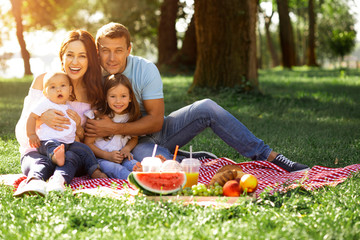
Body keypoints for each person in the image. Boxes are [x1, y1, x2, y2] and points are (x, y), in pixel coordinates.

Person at [85, 22, 309, 173]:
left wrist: (112, 128)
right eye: (105, 50)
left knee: (207, 107)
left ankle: (268, 156)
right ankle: (192, 160)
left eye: (118, 50)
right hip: (131, 146)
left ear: (129, 49)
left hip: (156, 130)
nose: (112, 57)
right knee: (165, 167)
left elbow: (155, 121)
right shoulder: (93, 75)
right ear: (97, 50)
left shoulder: (145, 69)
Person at [14, 30, 107, 197]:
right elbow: (22, 133)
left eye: (82, 56)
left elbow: (87, 140)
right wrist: (40, 120)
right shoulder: (44, 81)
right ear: (62, 56)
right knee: (39, 162)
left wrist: (78, 128)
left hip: (69, 153)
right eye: (70, 55)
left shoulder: (94, 93)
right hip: (38, 150)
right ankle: (34, 182)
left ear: (90, 60)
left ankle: (59, 182)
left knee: (72, 156)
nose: (75, 62)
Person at [84, 73, 142, 179]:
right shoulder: (98, 116)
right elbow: (88, 144)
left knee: (134, 164)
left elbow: (134, 138)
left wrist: (127, 149)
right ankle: (135, 182)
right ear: (106, 97)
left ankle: (146, 178)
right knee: (117, 169)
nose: (118, 101)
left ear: (130, 97)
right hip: (100, 159)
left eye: (123, 96)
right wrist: (107, 156)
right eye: (113, 96)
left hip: (122, 156)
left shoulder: (130, 117)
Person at [27, 71, 78, 167]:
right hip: (47, 140)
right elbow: (32, 116)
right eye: (53, 87)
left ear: (70, 90)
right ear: (45, 93)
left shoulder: (68, 107)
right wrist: (32, 134)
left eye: (62, 85)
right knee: (52, 145)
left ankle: (94, 168)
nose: (58, 90)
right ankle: (56, 157)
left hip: (67, 142)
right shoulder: (46, 103)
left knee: (84, 149)